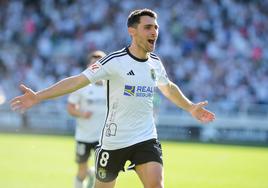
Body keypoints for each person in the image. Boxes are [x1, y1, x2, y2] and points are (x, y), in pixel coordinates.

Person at [10, 8, 215, 188]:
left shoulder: (155, 63)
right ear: (132, 31)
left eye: (156, 27)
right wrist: (38, 96)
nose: (154, 32)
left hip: (146, 137)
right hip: (114, 141)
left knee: (156, 185)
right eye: (148, 27)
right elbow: (78, 81)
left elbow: (168, 88)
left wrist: (190, 107)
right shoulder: (113, 61)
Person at [68, 51, 106, 188]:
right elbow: (70, 108)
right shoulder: (81, 86)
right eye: (93, 63)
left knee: (102, 173)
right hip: (83, 136)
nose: (96, 65)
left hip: (103, 138)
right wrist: (81, 113)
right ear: (89, 66)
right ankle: (87, 175)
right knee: (82, 171)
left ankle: (93, 175)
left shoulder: (112, 86)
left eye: (100, 62)